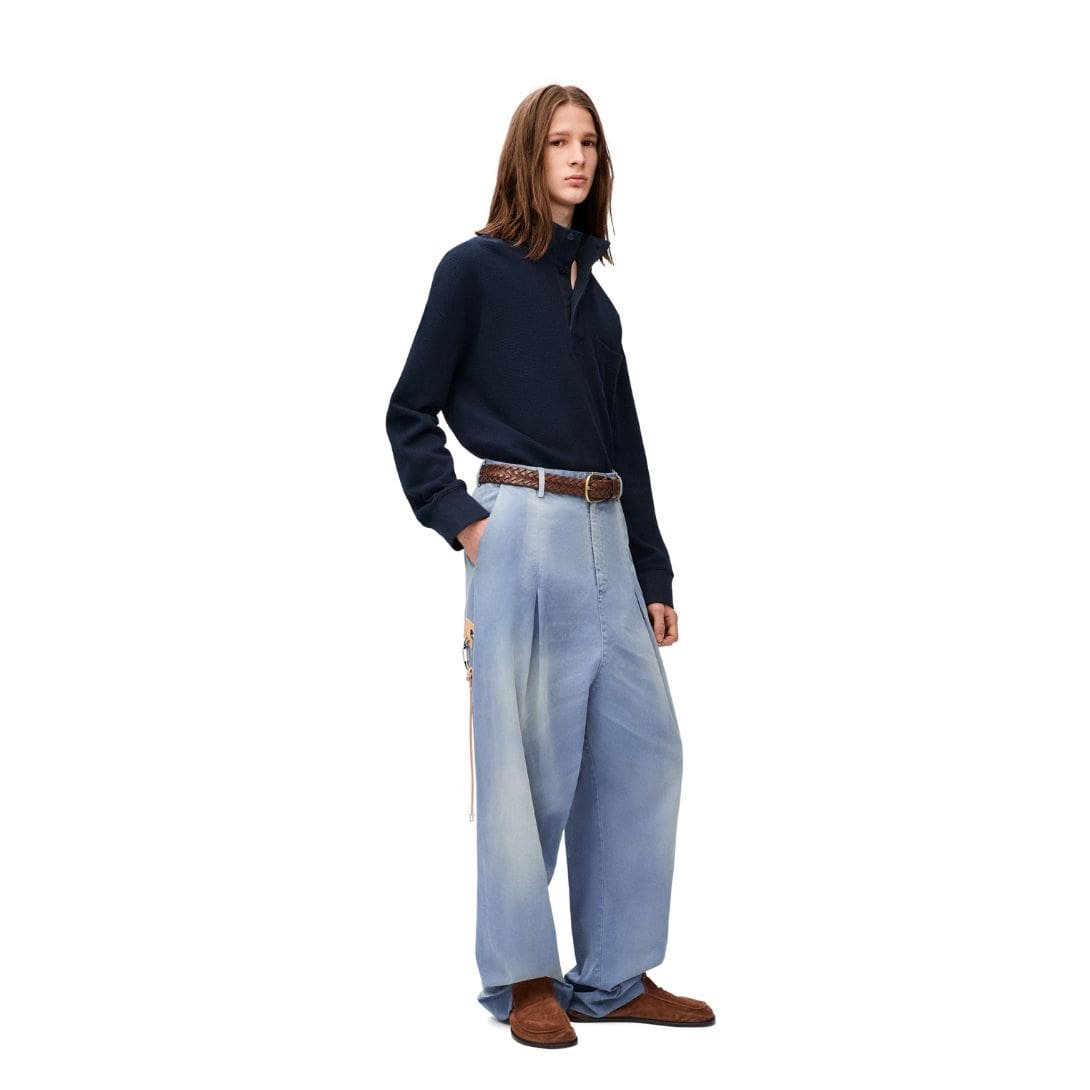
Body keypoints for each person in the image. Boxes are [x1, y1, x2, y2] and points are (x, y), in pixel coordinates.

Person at [385, 84, 714, 1049]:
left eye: (590, 143)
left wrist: (654, 571)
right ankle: (524, 976)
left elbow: (627, 443)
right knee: (524, 764)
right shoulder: (473, 271)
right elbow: (409, 411)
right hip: (519, 524)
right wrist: (464, 523)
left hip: (606, 533)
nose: (577, 157)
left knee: (646, 750)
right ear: (527, 156)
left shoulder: (597, 304)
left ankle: (613, 975)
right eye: (559, 142)